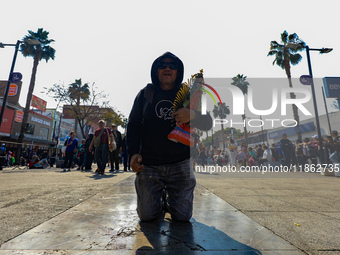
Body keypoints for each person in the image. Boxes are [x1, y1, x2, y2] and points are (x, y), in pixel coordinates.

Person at [127, 52, 212, 222]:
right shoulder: (146, 94)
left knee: (182, 217)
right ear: (156, 71)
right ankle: (158, 201)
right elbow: (133, 125)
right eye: (162, 65)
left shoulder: (188, 94)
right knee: (147, 216)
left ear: (178, 71)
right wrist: (133, 153)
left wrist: (192, 115)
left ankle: (171, 200)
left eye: (172, 65)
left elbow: (208, 122)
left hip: (180, 163)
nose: (167, 68)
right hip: (150, 164)